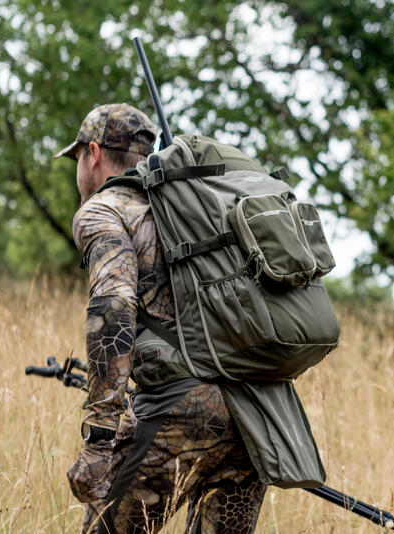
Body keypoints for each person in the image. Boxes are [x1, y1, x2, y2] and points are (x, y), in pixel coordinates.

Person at [54, 103, 266, 534]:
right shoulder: (195, 208)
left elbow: (112, 312)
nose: (78, 168)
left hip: (182, 408)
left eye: (77, 157)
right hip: (256, 411)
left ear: (93, 154)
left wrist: (99, 439)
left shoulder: (103, 210)